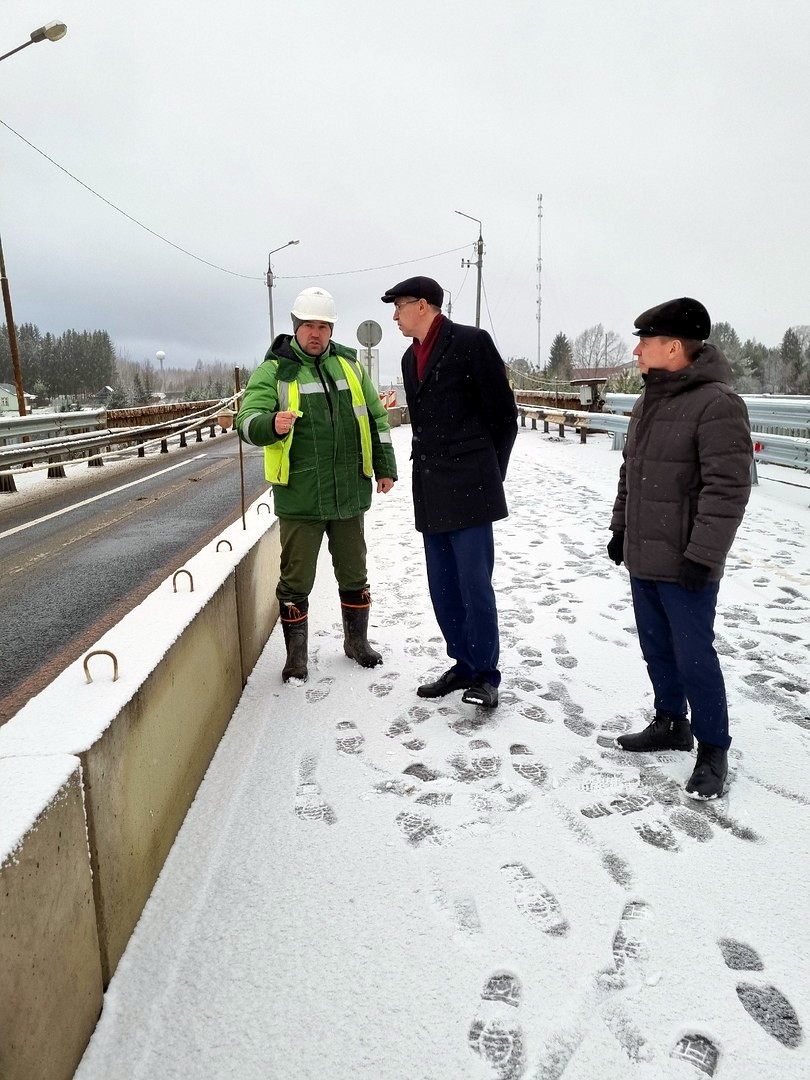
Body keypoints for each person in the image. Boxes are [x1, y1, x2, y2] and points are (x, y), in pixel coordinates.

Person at [607, 297, 752, 799]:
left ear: (673, 347)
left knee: (694, 656)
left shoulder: (718, 404)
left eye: (644, 341)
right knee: (657, 648)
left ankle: (713, 748)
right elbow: (633, 472)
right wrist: (620, 528)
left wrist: (704, 555)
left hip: (687, 561)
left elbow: (727, 488)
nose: (636, 350)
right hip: (645, 555)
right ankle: (671, 722)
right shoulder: (650, 400)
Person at [236, 287, 397, 682]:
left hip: (348, 493)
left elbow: (375, 418)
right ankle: (296, 658)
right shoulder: (274, 370)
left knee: (354, 574)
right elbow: (246, 419)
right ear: (295, 328)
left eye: (323, 326)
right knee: (295, 580)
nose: (316, 333)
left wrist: (385, 466)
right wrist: (269, 425)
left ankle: (356, 644)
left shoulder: (350, 366)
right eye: (309, 325)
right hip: (301, 497)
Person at [381, 275, 518, 708]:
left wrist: (489, 475)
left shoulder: (471, 342)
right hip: (431, 486)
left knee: (475, 584)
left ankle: (487, 675)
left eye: (400, 306)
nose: (395, 315)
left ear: (423, 305)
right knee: (443, 585)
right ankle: (463, 664)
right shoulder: (408, 358)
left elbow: (503, 417)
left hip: (471, 487)